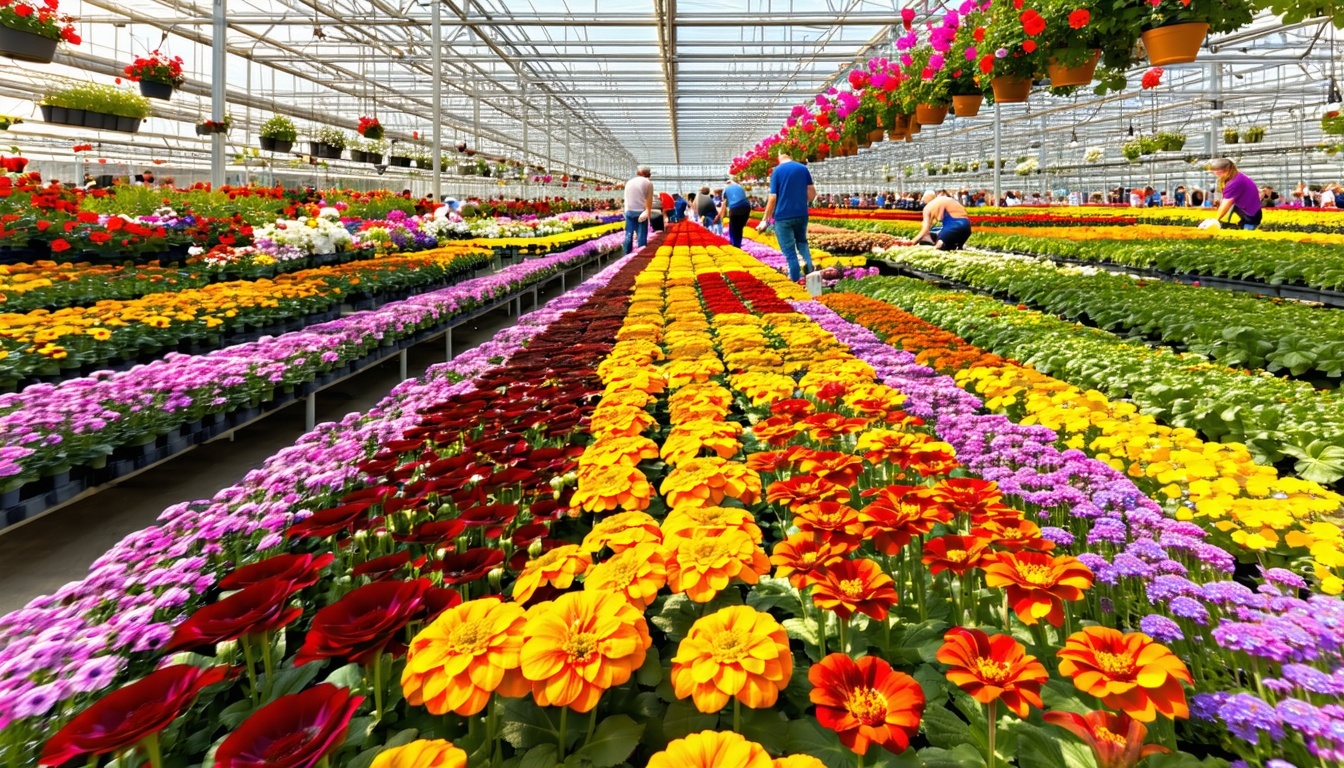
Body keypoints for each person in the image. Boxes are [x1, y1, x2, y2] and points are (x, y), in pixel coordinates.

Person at [756, 150, 816, 281]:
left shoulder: (777, 171)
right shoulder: (802, 168)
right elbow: (812, 192)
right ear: (790, 156)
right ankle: (810, 275)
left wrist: (765, 219)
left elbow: (773, 197)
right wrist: (802, 202)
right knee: (802, 242)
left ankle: (795, 281)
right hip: (801, 214)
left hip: (783, 216)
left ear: (779, 158)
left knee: (789, 252)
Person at [1205, 157, 1262, 230]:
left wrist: (1215, 221)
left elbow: (1226, 204)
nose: (1217, 175)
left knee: (1244, 232)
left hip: (1250, 217)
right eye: (1214, 173)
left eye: (1218, 173)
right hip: (1252, 213)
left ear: (1227, 169)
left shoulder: (1235, 182)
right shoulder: (1238, 176)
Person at [622, 166, 653, 254]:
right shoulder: (648, 183)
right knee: (641, 234)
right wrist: (648, 213)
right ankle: (641, 253)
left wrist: (626, 212)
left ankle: (626, 253)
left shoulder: (629, 182)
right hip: (641, 211)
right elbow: (649, 200)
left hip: (629, 211)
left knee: (629, 233)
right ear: (647, 174)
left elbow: (626, 198)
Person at [720, 178, 751, 247]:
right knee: (739, 227)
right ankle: (737, 243)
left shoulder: (725, 190)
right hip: (746, 207)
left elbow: (724, 204)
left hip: (735, 209)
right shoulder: (740, 187)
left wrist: (721, 217)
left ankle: (735, 245)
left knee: (734, 227)